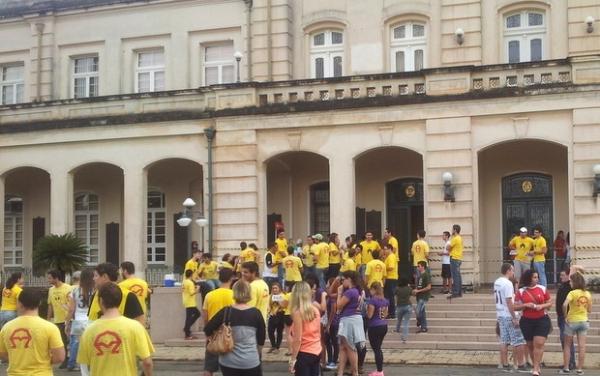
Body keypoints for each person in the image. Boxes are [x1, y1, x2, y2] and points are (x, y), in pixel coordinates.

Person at [77, 282, 154, 376]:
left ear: (100, 301)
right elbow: (147, 362)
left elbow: (85, 365)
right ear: (120, 300)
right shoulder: (135, 327)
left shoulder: (89, 331)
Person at [204, 280, 266, 376]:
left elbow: (208, 329)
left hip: (228, 361)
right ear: (249, 293)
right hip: (251, 361)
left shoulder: (226, 311)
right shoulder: (256, 313)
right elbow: (261, 340)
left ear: (234, 292)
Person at [0, 288, 65, 375]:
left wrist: (18, 360)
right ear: (40, 303)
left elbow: (2, 353)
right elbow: (60, 357)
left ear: (19, 303)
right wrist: (43, 361)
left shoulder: (6, 327)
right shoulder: (50, 328)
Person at [514, 269, 552, 376]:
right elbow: (515, 307)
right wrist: (525, 305)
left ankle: (535, 368)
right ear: (528, 278)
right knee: (530, 345)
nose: (537, 279)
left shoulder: (542, 289)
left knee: (539, 343)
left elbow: (549, 303)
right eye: (534, 277)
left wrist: (541, 306)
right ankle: (537, 365)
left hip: (541, 319)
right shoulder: (521, 291)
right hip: (526, 321)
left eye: (537, 277)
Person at [493, 263, 526, 372]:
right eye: (512, 270)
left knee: (504, 340)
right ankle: (521, 364)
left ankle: (505, 364)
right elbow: (509, 301)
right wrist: (514, 317)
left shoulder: (497, 282)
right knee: (518, 340)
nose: (513, 272)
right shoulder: (507, 284)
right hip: (508, 314)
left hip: (500, 314)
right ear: (508, 270)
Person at [202, 268, 235, 376]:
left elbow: (205, 317)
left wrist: (207, 332)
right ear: (232, 278)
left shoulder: (209, 295)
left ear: (219, 278)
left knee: (209, 367)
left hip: (213, 333)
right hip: (229, 334)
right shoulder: (234, 295)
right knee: (231, 367)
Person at [560, 271, 592, 374]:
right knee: (582, 346)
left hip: (572, 321)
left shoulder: (572, 293)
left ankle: (566, 368)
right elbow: (590, 310)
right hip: (583, 320)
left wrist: (565, 316)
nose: (570, 283)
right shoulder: (587, 294)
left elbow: (565, 305)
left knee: (567, 345)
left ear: (575, 282)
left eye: (571, 281)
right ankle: (579, 369)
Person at [335, 271, 366, 376]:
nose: (342, 281)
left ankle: (355, 372)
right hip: (353, 318)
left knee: (350, 347)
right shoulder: (358, 291)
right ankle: (340, 371)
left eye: (344, 279)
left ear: (349, 279)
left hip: (349, 319)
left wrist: (339, 293)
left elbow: (339, 305)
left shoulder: (350, 292)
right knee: (343, 346)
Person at [289, 282, 322, 376]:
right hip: (316, 350)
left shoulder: (298, 313)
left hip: (304, 353)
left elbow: (297, 339)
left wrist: (293, 359)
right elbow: (318, 333)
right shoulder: (315, 310)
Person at [65, 269, 94, 373]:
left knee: (78, 347)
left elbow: (71, 309)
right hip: (92, 321)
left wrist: (67, 323)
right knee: (92, 347)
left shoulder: (75, 291)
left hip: (78, 321)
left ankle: (79, 368)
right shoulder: (95, 290)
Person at [46, 269, 71, 369]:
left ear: (56, 278)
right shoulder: (51, 290)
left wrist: (70, 317)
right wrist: (48, 319)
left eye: (49, 278)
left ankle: (71, 360)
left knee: (71, 341)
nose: (48, 280)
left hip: (68, 319)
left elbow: (72, 304)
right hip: (57, 319)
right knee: (62, 341)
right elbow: (50, 305)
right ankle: (65, 360)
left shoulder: (68, 288)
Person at [366, 282, 389, 376]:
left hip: (374, 326)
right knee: (378, 348)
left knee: (376, 349)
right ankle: (379, 370)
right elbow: (385, 314)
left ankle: (379, 371)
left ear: (374, 289)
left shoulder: (372, 300)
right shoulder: (385, 300)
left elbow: (369, 315)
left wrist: (365, 309)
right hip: (383, 325)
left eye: (370, 290)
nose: (370, 292)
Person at [556, 269, 576, 371]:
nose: (561, 277)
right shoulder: (562, 286)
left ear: (569, 275)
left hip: (567, 317)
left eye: (563, 275)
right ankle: (567, 362)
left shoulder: (570, 286)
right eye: (560, 275)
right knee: (563, 341)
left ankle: (571, 362)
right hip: (560, 317)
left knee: (567, 341)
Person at [324, 277, 340, 370]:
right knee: (327, 341)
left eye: (327, 283)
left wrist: (329, 324)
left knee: (334, 341)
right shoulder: (330, 296)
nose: (326, 285)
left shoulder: (334, 296)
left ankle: (334, 360)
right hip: (331, 321)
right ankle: (330, 359)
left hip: (333, 322)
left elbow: (333, 310)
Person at [182, 269, 201, 340]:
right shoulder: (190, 283)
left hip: (186, 300)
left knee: (191, 316)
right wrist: (197, 289)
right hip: (190, 302)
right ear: (191, 275)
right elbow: (191, 293)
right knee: (196, 314)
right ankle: (187, 330)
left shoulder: (184, 282)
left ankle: (187, 329)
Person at [413, 261, 431, 333]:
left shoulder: (426, 274)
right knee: (421, 311)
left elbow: (429, 287)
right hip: (419, 296)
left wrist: (418, 291)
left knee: (418, 311)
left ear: (423, 267)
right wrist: (416, 290)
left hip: (424, 296)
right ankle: (423, 326)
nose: (417, 268)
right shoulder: (420, 275)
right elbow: (419, 286)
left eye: (419, 266)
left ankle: (421, 324)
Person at [267, 282, 285, 354]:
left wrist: (278, 300)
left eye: (276, 288)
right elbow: (268, 305)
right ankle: (273, 346)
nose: (274, 290)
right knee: (270, 331)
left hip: (280, 314)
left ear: (279, 289)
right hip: (272, 314)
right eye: (273, 288)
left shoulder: (283, 295)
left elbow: (284, 305)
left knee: (279, 332)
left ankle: (277, 347)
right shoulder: (270, 296)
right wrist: (269, 312)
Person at [382, 244, 398, 318]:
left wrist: (383, 269)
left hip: (391, 278)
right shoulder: (388, 257)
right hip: (389, 278)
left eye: (385, 249)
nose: (384, 251)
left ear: (390, 249)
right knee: (388, 296)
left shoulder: (391, 256)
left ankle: (392, 313)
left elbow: (391, 267)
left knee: (390, 296)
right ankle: (390, 312)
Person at [394, 278, 412, 343]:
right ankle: (404, 337)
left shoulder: (397, 288)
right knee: (406, 322)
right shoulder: (409, 288)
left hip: (399, 306)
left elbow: (395, 294)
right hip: (408, 306)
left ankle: (397, 329)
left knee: (399, 319)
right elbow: (412, 294)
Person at [448, 224, 463, 298]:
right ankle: (459, 292)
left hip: (454, 258)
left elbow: (448, 247)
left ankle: (456, 292)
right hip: (459, 258)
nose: (451, 231)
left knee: (455, 276)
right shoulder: (460, 238)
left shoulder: (455, 238)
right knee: (458, 276)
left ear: (455, 230)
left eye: (452, 229)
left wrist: (451, 238)